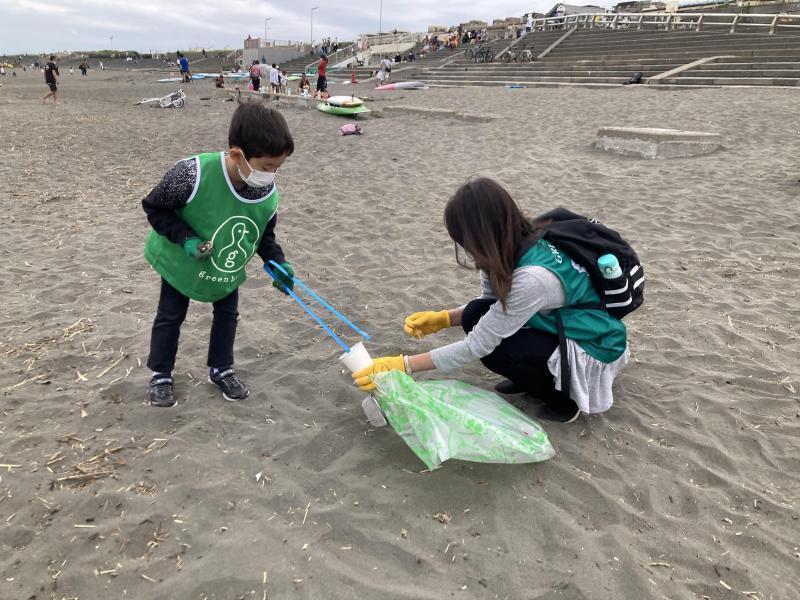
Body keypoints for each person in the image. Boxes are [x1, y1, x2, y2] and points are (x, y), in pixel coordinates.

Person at [351, 178, 630, 423]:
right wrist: (443, 318)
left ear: (481, 235)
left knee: (496, 350)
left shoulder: (533, 277)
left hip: (594, 344)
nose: (465, 247)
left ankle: (564, 400)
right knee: (475, 313)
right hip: (560, 324)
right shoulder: (508, 245)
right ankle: (532, 378)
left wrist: (403, 364)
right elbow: (489, 303)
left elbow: (477, 345)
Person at [141, 103, 296, 407]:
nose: (272, 174)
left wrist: (278, 262)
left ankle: (221, 368)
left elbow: (262, 235)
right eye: (266, 167)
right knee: (170, 316)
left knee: (227, 315)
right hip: (181, 261)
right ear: (238, 155)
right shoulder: (190, 173)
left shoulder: (266, 193)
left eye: (278, 167)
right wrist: (185, 239)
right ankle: (161, 374)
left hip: (226, 265)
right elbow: (154, 207)